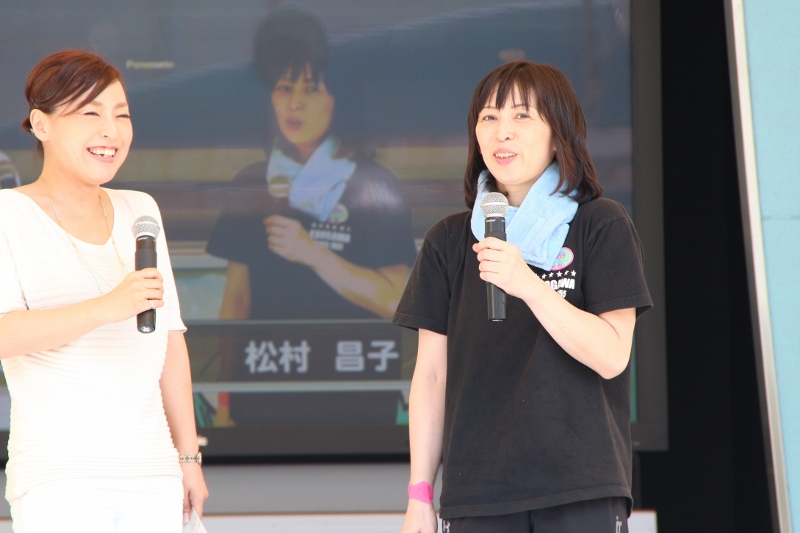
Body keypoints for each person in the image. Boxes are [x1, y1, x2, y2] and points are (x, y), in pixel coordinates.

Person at [393, 60, 652, 533]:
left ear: (558, 134)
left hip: (581, 485)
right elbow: (431, 376)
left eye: (521, 116)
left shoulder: (600, 224)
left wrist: (528, 285)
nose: (502, 132)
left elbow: (613, 355)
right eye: (489, 117)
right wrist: (419, 496)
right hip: (477, 494)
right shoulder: (449, 241)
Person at [0, 50, 208, 532]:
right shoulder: (9, 213)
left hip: (154, 473)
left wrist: (188, 457)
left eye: (122, 115)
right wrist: (108, 307)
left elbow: (170, 341)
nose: (111, 132)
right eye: (90, 114)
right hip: (60, 478)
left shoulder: (141, 210)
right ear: (41, 124)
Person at [205, 8, 416, 427]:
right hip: (263, 399)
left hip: (356, 402)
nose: (295, 102)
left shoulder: (374, 185)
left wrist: (314, 254)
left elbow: (396, 301)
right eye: (284, 87)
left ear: (339, 101)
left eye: (312, 88)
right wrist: (226, 400)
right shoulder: (252, 183)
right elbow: (236, 302)